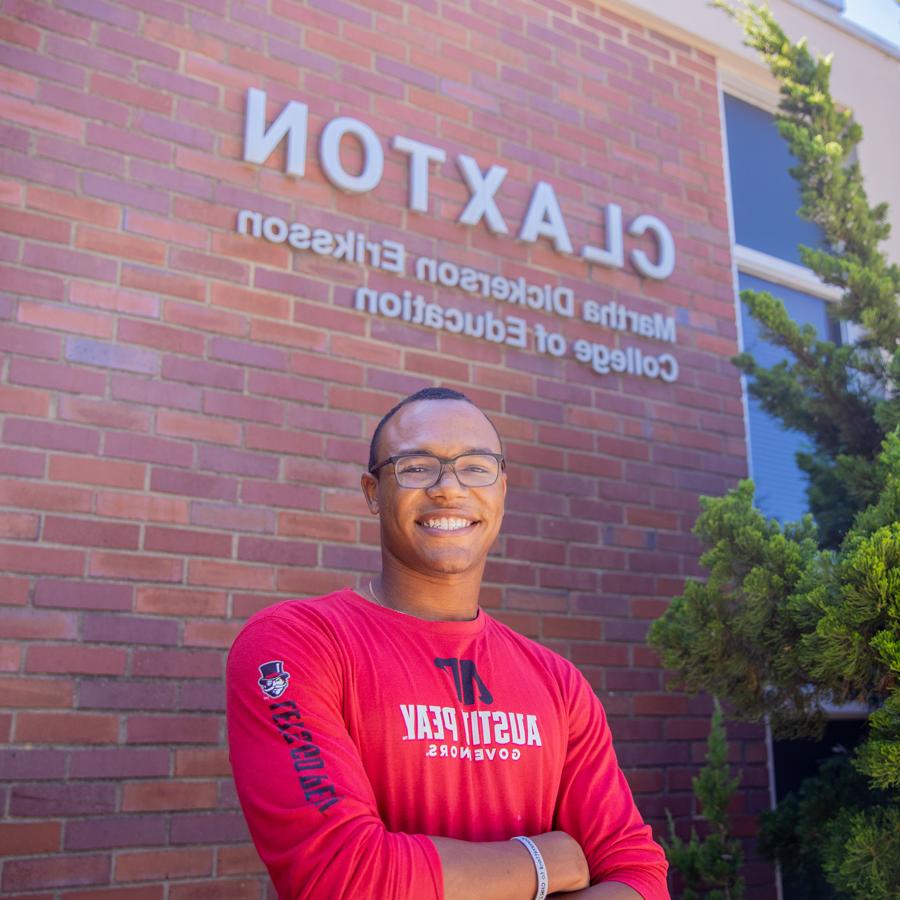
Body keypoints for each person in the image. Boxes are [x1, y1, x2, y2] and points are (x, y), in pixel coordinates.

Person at [226, 387, 669, 899]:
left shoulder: (558, 682)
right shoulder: (294, 646)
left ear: (502, 488)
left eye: (476, 467)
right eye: (416, 466)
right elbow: (342, 876)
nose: (449, 489)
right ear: (373, 492)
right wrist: (543, 861)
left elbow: (638, 875)